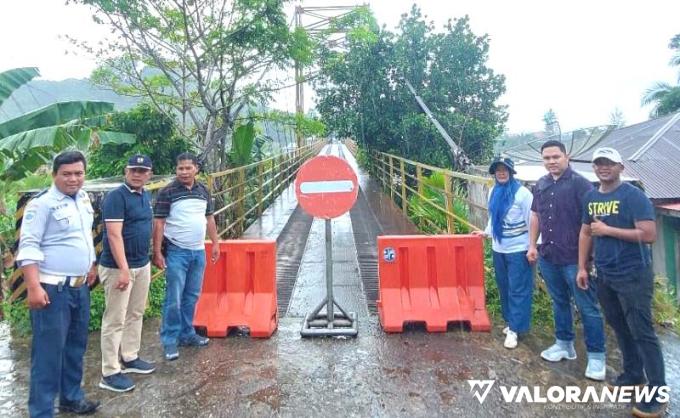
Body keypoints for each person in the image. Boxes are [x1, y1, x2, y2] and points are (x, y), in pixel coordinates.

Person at [577, 147, 667, 417]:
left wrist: (607, 230)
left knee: (642, 331)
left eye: (609, 163)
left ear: (620, 167)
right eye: (599, 163)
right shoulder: (591, 197)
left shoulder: (633, 196)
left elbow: (649, 234)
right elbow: (585, 232)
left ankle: (657, 393)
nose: (603, 168)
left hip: (633, 274)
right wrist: (582, 266)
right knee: (618, 325)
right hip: (604, 274)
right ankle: (633, 374)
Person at [16, 151, 100, 417]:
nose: (73, 179)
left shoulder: (84, 198)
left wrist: (92, 264)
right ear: (54, 175)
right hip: (52, 289)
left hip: (79, 287)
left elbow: (85, 236)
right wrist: (33, 287)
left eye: (78, 173)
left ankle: (71, 398)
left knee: (76, 347)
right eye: (66, 174)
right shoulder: (42, 205)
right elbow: (28, 246)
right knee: (48, 354)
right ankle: (41, 411)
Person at [527, 140, 606, 381]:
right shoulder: (540, 184)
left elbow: (593, 225)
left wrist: (586, 263)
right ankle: (564, 344)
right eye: (547, 158)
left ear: (566, 156)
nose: (551, 162)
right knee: (559, 302)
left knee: (587, 307)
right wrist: (532, 245)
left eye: (555, 157)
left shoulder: (582, 185)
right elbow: (536, 216)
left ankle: (596, 357)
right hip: (549, 255)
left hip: (575, 259)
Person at [153, 152, 220, 361]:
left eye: (187, 168)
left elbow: (209, 218)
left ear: (196, 169)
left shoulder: (203, 191)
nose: (183, 172)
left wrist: (215, 243)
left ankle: (187, 333)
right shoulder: (168, 192)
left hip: (198, 250)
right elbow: (159, 223)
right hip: (176, 251)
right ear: (176, 170)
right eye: (180, 168)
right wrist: (156, 252)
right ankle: (169, 340)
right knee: (174, 297)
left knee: (192, 295)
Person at [98, 155, 156, 393]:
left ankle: (130, 356)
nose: (138, 174)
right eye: (134, 170)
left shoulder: (145, 195)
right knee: (115, 319)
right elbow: (113, 235)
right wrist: (123, 269)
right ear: (126, 171)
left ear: (149, 174)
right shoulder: (116, 197)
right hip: (118, 267)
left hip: (142, 264)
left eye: (143, 171)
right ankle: (110, 371)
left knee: (135, 312)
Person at [473, 156, 533, 349]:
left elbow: (532, 221)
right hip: (499, 247)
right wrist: (486, 232)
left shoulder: (523, 194)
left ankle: (515, 329)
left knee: (518, 288)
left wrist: (533, 246)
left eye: (505, 169)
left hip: (518, 248)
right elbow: (493, 218)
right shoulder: (493, 191)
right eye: (498, 170)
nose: (501, 172)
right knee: (504, 286)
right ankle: (510, 322)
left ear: (511, 171)